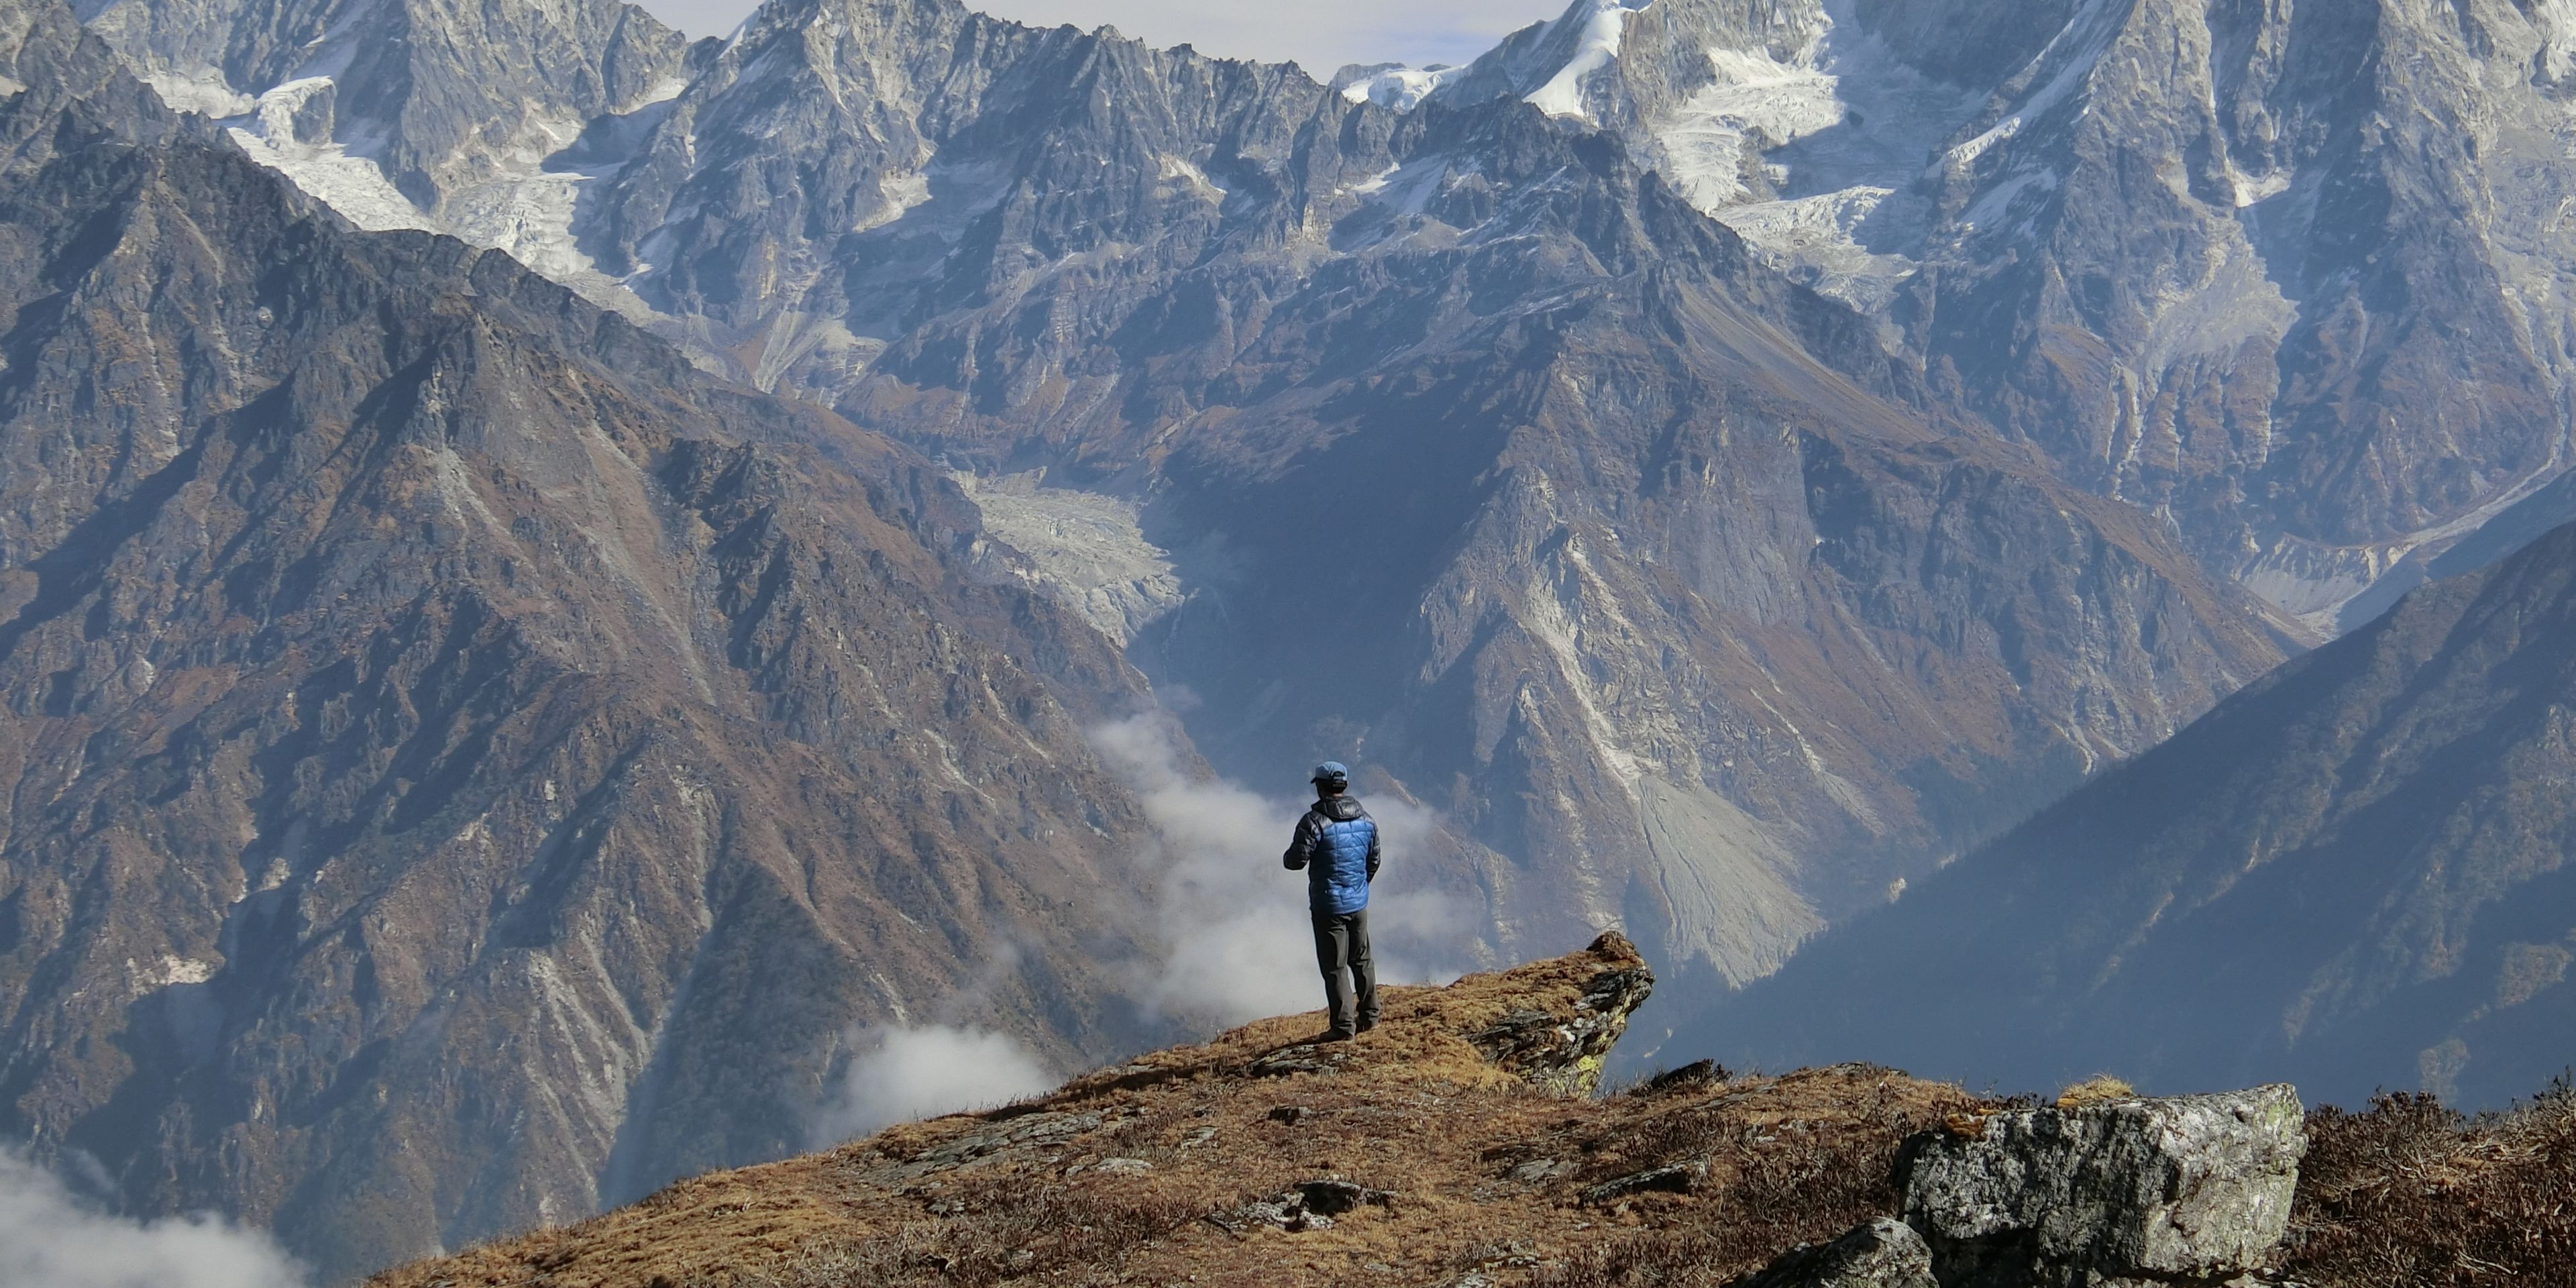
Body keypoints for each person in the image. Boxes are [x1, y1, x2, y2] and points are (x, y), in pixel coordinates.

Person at [1282, 760, 1381, 1040]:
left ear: (1321, 788)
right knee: (1362, 959)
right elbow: (1373, 860)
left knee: (1335, 966)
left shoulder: (1314, 822)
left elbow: (1296, 862)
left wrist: (1288, 856)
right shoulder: (1367, 820)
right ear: (1344, 786)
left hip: (1329, 907)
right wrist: (1359, 886)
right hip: (1358, 903)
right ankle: (1371, 1016)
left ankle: (1343, 1027)